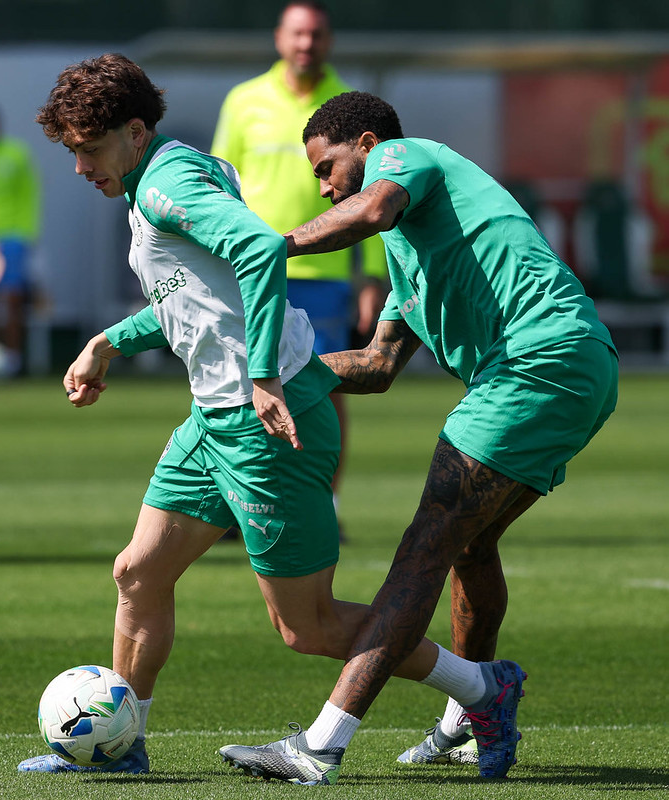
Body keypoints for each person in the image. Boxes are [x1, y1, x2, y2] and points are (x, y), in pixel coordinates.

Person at [18, 56, 526, 780]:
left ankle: (484, 686)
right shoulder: (161, 177)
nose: (78, 167)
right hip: (213, 419)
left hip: (265, 420)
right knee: (137, 571)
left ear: (134, 131)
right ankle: (120, 746)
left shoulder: (166, 183)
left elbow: (259, 250)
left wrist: (260, 376)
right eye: (70, 150)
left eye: (88, 148)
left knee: (307, 628)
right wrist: (109, 341)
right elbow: (197, 296)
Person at [218, 91, 618, 784]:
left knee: (423, 546)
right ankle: (470, 718)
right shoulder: (409, 257)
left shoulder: (405, 158)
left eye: (327, 167)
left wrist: (272, 246)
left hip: (534, 361)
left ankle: (320, 745)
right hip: (569, 365)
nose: (322, 186)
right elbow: (375, 369)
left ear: (366, 145)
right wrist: (271, 376)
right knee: (468, 544)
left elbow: (369, 208)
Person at [212, 2, 388, 535]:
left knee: (325, 387)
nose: (306, 43)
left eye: (315, 34)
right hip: (252, 271)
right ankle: (241, 504)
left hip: (328, 275)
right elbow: (219, 182)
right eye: (297, 33)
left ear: (328, 40)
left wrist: (372, 277)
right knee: (236, 385)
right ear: (279, 37)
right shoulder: (244, 101)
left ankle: (324, 506)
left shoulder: (349, 106)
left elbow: (378, 193)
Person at [0, 105, 41, 376]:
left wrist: (26, 235)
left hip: (12, 239)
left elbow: (29, 194)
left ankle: (13, 360)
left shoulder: (15, 153)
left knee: (12, 300)